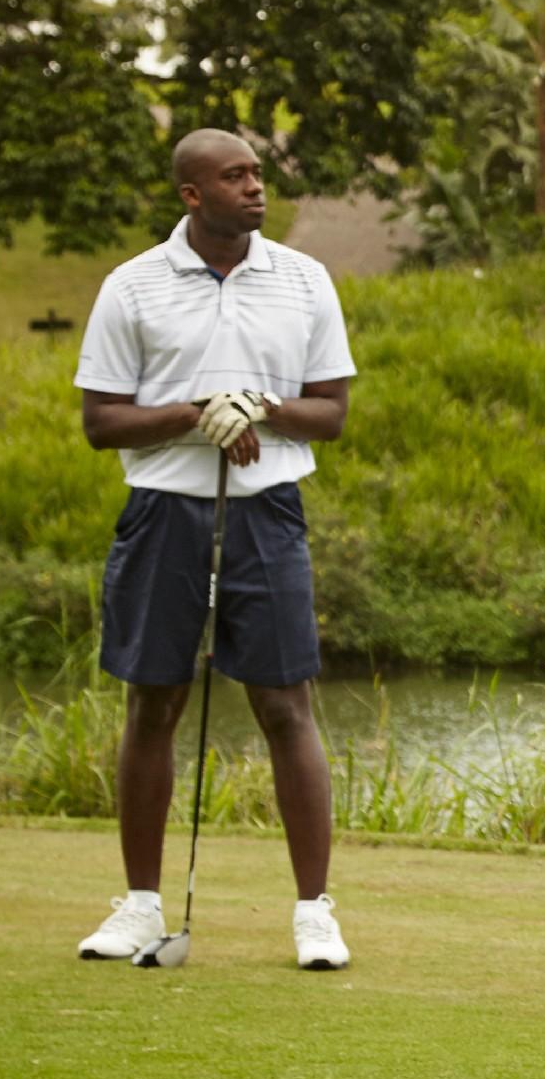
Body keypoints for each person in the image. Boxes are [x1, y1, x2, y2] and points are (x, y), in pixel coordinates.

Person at [68, 129, 358, 970]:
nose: (255, 187)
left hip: (267, 511)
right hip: (164, 513)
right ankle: (139, 906)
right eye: (234, 177)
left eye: (258, 174)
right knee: (153, 703)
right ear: (192, 195)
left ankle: (314, 913)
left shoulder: (304, 280)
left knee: (284, 705)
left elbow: (330, 412)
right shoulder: (133, 286)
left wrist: (259, 406)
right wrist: (197, 412)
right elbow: (102, 421)